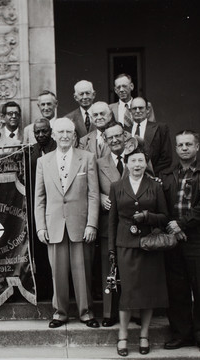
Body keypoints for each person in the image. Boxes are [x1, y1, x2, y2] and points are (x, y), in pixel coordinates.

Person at [34, 117, 100, 329]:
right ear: (53, 135)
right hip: (54, 225)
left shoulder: (87, 158)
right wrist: (41, 226)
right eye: (60, 132)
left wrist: (92, 224)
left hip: (80, 224)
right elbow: (39, 198)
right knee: (58, 273)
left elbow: (93, 195)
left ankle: (86, 312)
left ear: (74, 136)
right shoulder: (43, 162)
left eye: (68, 133)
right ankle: (60, 312)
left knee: (82, 272)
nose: (64, 136)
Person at [161, 130, 200, 355]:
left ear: (197, 147)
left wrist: (182, 225)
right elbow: (162, 205)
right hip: (174, 239)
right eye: (180, 145)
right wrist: (173, 228)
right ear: (176, 149)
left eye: (188, 144)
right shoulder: (167, 175)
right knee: (177, 291)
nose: (184, 148)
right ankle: (181, 335)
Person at [108, 142, 169, 357]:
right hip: (125, 245)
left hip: (149, 246)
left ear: (146, 164)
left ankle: (144, 335)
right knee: (128, 292)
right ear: (126, 163)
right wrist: (112, 250)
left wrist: (147, 217)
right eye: (132, 160)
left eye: (140, 161)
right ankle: (123, 337)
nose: (136, 164)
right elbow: (112, 220)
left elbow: (164, 217)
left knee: (148, 291)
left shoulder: (155, 185)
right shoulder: (116, 186)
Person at [96, 121, 127, 327]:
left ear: (124, 136)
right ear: (105, 141)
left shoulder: (137, 159)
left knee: (131, 270)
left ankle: (132, 311)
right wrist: (99, 196)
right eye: (110, 137)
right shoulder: (99, 163)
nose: (115, 140)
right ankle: (109, 312)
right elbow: (90, 188)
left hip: (133, 224)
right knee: (109, 269)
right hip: (110, 223)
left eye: (118, 136)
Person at [24, 118, 56, 301]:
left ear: (50, 131)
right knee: (39, 251)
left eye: (44, 131)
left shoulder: (57, 148)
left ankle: (57, 290)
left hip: (55, 205)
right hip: (36, 207)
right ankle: (42, 290)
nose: (41, 135)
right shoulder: (31, 151)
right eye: (37, 132)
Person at [129, 97, 172, 176]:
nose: (138, 111)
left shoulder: (160, 128)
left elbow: (166, 158)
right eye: (134, 108)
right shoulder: (125, 131)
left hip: (153, 177)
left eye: (141, 108)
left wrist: (148, 174)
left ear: (147, 110)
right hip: (130, 178)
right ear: (130, 111)